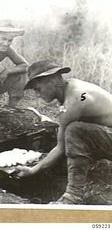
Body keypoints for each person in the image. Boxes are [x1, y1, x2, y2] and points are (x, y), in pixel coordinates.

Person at [15, 60, 112, 204]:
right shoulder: (72, 87)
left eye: (38, 89)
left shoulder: (75, 99)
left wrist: (33, 170)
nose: (37, 95)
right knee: (71, 133)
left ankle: (73, 196)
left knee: (73, 131)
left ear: (53, 80)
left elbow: (61, 147)